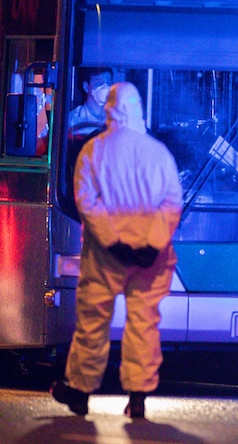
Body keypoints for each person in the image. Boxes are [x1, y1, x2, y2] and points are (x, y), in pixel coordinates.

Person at [51, 82, 182, 419]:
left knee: (93, 322)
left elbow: (87, 203)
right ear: (138, 109)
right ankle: (137, 398)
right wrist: (151, 245)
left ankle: (79, 391)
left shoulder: (93, 151)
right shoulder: (159, 154)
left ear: (109, 108)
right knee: (143, 324)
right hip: (151, 258)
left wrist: (114, 242)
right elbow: (171, 203)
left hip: (105, 256)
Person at [67, 67, 113, 137]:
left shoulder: (117, 117)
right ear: (86, 87)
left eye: (109, 83)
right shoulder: (73, 119)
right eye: (99, 83)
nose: (106, 87)